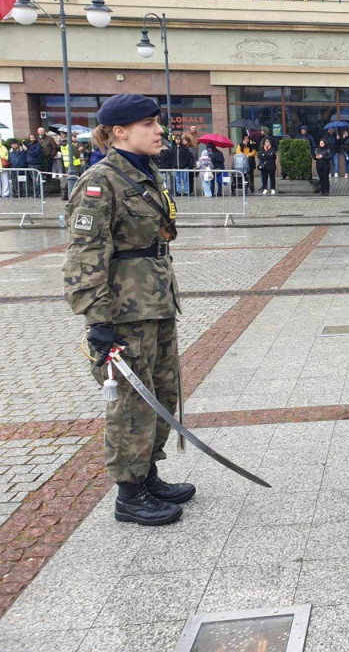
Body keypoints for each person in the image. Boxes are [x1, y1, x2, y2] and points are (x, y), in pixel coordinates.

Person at [62, 93, 193, 526]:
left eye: (158, 123)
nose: (160, 131)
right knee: (133, 402)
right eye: (149, 125)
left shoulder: (145, 173)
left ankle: (148, 472)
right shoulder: (100, 182)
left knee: (163, 392)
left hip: (155, 302)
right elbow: (85, 257)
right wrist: (97, 321)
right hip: (123, 311)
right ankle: (128, 493)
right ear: (119, 132)